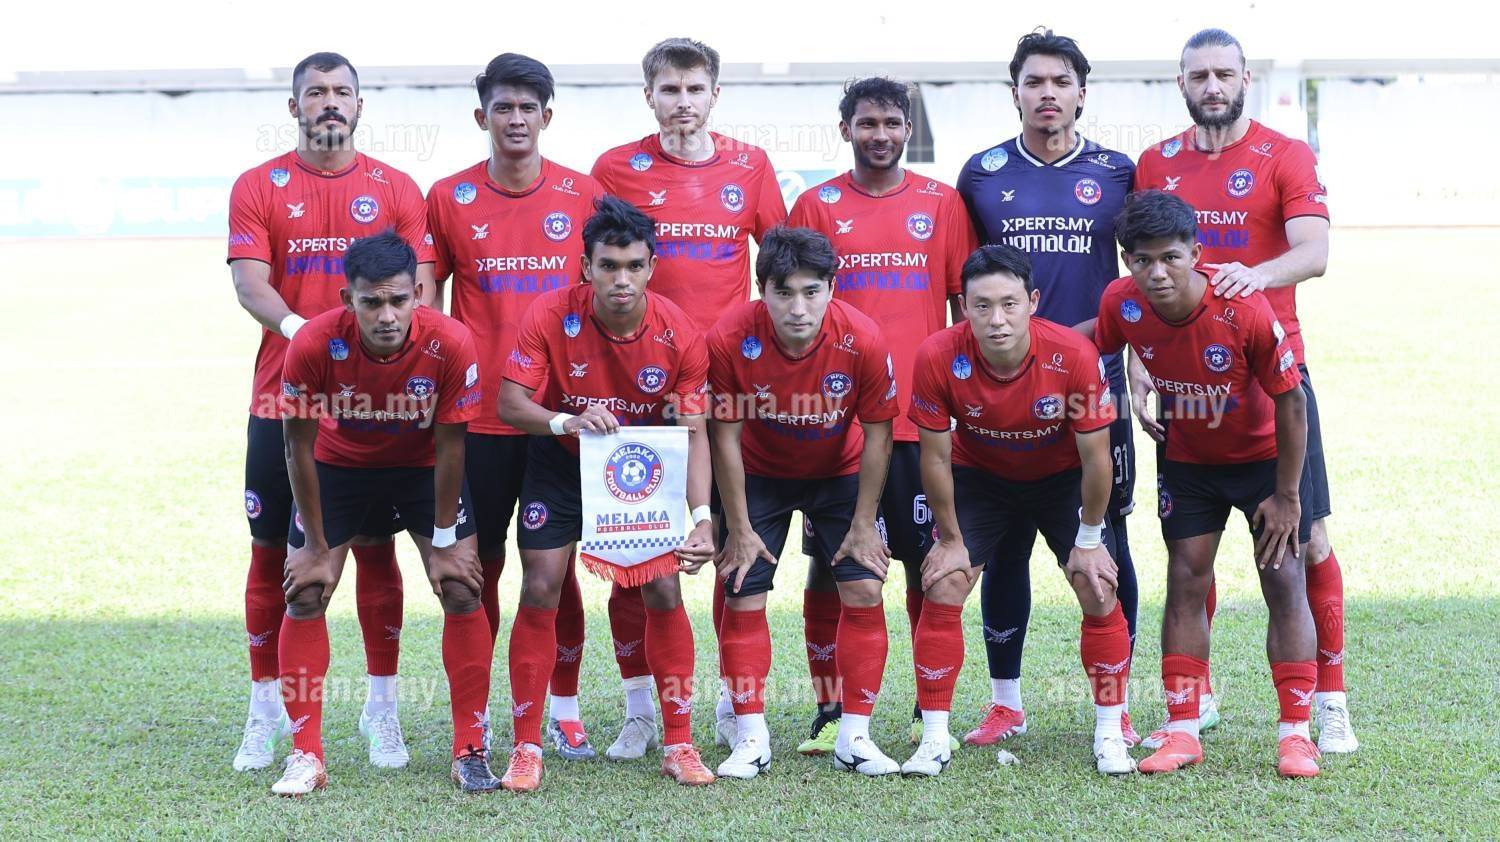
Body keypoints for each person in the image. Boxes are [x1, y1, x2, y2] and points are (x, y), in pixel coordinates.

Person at [1132, 28, 1353, 753]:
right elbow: (1140, 269)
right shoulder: (1155, 163)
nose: (1212, 86)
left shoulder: (1284, 154)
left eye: (1224, 73)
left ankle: (1328, 701)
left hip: (1272, 377)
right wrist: (1139, 359)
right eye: (1199, 75)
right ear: (1181, 82)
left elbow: (1315, 252)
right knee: (1190, 552)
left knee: (1305, 542)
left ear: (1245, 79)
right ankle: (1194, 704)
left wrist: (1254, 276)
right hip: (1187, 380)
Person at [227, 51, 432, 773]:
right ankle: (266, 711)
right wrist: (305, 333)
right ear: (295, 107)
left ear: (360, 104)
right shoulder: (259, 185)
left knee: (375, 549)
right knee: (273, 556)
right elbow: (250, 285)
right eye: (315, 93)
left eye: (342, 91)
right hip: (281, 397)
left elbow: (420, 293)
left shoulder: (396, 188)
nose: (329, 103)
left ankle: (382, 709)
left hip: (375, 406)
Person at [591, 36, 788, 748]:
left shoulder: (750, 165)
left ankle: (734, 704)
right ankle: (641, 709)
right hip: (637, 392)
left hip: (725, 389)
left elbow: (781, 265)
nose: (682, 102)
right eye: (669, 89)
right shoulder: (617, 167)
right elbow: (597, 270)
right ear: (649, 95)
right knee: (635, 557)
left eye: (694, 88)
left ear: (714, 94)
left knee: (732, 547)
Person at [1090, 190, 1322, 778]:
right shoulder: (1122, 301)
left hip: (1264, 463)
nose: (1157, 273)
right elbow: (1091, 342)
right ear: (1127, 261)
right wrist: (1022, 334)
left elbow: (1293, 403)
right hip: (1189, 462)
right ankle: (1183, 731)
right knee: (1186, 580)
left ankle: (1296, 735)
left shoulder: (1241, 306)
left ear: (1195, 253)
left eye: (1170, 257)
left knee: (1283, 581)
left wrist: (1287, 495)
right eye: (1142, 260)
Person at [955, 29, 1141, 747]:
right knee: (1004, 540)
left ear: (1081, 93)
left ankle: (1116, 702)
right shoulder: (983, 173)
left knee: (1107, 539)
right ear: (1016, 93)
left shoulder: (1117, 172)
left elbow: (1142, 277)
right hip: (1000, 384)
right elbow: (965, 284)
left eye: (1061, 81)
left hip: (1095, 383)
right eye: (1034, 82)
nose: (1048, 94)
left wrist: (1141, 361)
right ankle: (1006, 702)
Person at [497, 196, 717, 791]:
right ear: (586, 267)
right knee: (540, 585)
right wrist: (564, 422)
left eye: (634, 266)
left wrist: (701, 516)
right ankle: (526, 747)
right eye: (609, 266)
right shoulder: (550, 313)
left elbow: (694, 433)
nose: (622, 279)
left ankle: (679, 742)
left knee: (663, 587)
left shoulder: (680, 332)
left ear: (652, 267)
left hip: (642, 469)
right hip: (561, 462)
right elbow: (509, 403)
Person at [426, 52, 608, 762]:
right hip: (477, 420)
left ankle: (562, 710)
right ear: (483, 116)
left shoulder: (583, 193)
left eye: (528, 107)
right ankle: (474, 722)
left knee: (554, 573)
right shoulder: (448, 197)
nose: (516, 119)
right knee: (478, 570)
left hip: (559, 420)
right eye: (503, 107)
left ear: (547, 116)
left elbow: (606, 297)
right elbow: (426, 302)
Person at [785, 77, 975, 754]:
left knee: (929, 563)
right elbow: (792, 312)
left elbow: (963, 309)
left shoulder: (941, 203)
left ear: (908, 130)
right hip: (838, 427)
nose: (881, 135)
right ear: (846, 130)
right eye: (867, 123)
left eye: (893, 123)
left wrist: (960, 402)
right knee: (833, 565)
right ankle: (831, 707)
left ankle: (929, 710)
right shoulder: (816, 205)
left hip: (920, 421)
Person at [275, 230, 495, 794]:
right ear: (348, 300)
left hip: (422, 468)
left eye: (398, 299)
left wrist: (444, 539)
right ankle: (305, 754)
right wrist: (315, 545)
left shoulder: (451, 342)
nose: (387, 315)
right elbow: (297, 447)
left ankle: (470, 748)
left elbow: (451, 447)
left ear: (418, 293)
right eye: (371, 302)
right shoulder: (313, 343)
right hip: (339, 468)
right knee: (306, 591)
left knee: (461, 586)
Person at [907, 243, 1132, 776]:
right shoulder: (937, 354)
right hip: (981, 478)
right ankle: (935, 738)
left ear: (1032, 301)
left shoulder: (1073, 354)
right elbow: (934, 458)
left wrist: (1089, 538)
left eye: (1009, 304)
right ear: (964, 306)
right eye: (982, 305)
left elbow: (1097, 459)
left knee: (1097, 583)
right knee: (944, 583)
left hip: (1061, 479)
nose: (997, 319)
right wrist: (950, 539)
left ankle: (1111, 730)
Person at [708, 226, 900, 778]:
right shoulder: (729, 337)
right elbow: (724, 436)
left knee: (864, 587)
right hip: (760, 473)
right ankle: (751, 737)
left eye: (812, 292)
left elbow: (880, 433)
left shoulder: (863, 338)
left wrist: (864, 523)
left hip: (839, 472)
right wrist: (738, 527)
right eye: (783, 292)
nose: (798, 308)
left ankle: (854, 737)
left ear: (831, 289)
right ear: (761, 290)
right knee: (743, 590)